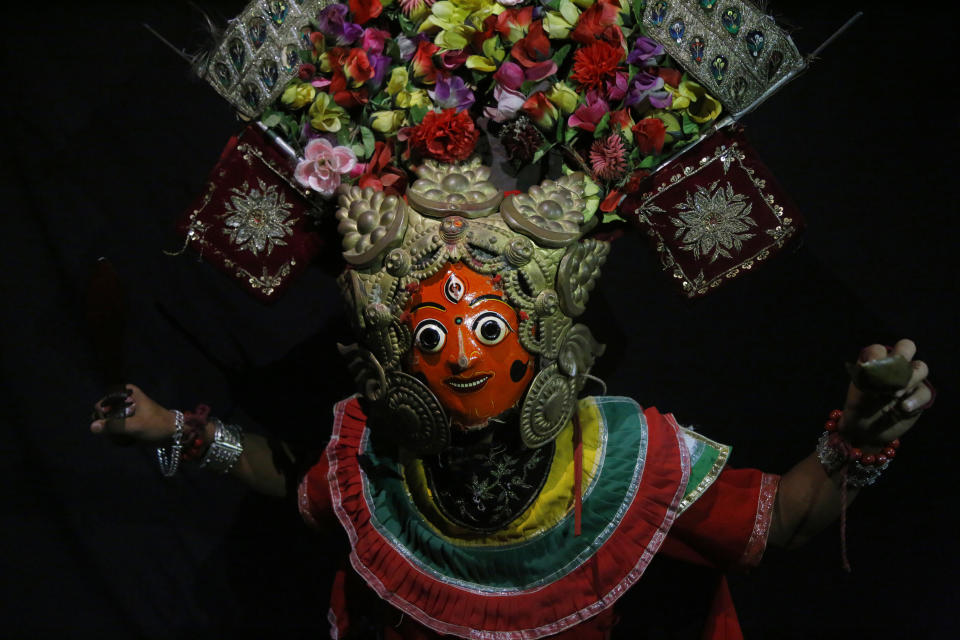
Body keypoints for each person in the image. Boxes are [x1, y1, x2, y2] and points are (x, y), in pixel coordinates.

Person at [91, 163, 933, 639]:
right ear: (395, 355)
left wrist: (859, 440)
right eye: (430, 336)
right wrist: (182, 434)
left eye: (488, 326)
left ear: (539, 333)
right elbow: (302, 488)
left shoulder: (621, 459)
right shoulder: (375, 459)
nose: (460, 356)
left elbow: (779, 520)